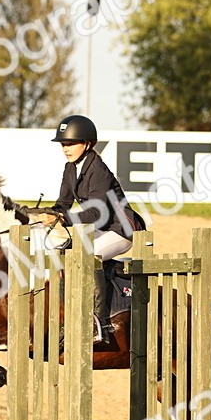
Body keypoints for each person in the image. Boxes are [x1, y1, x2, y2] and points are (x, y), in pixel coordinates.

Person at [28, 114, 145, 345]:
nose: (66, 149)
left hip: (121, 230)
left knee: (87, 257)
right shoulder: (70, 169)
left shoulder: (98, 169)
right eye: (63, 144)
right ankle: (66, 318)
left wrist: (61, 218)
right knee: (60, 256)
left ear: (87, 144)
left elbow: (96, 213)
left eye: (71, 143)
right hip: (99, 229)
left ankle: (100, 324)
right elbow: (62, 205)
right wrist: (37, 213)